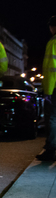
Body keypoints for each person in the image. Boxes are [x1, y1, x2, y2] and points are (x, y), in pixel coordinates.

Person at [37, 16, 56, 161]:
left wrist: (47, 92)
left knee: (52, 119)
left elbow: (51, 68)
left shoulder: (53, 42)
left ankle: (50, 150)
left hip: (54, 89)